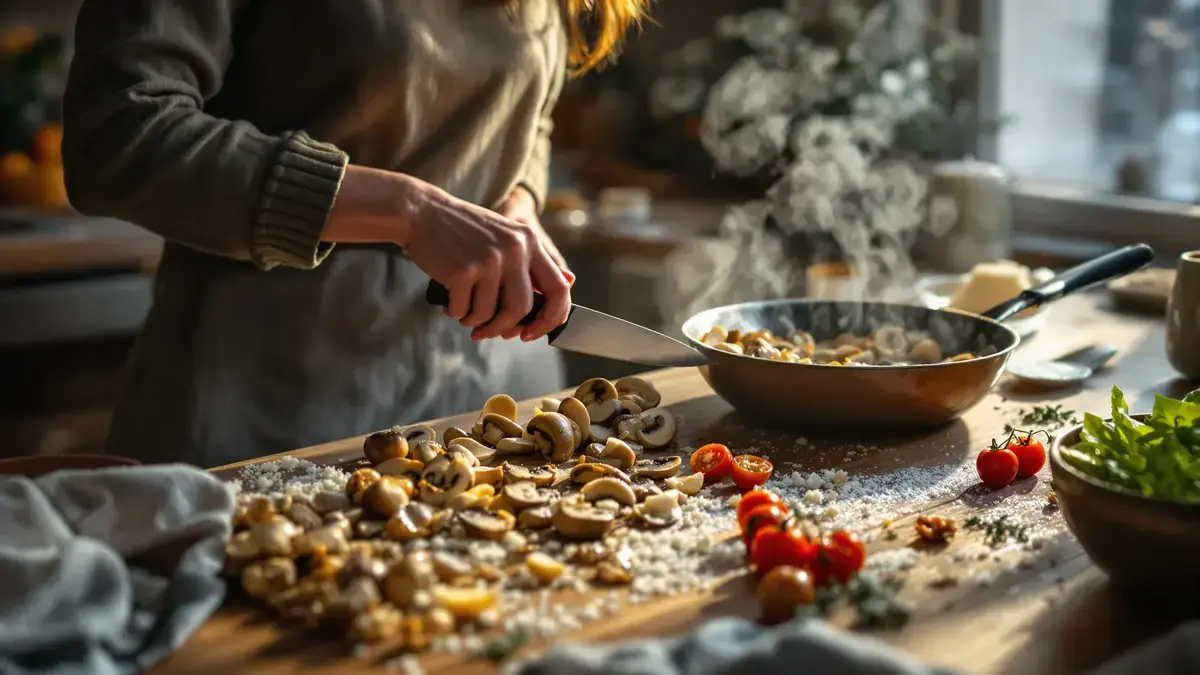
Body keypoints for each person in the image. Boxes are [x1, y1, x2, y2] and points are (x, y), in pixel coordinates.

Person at [61, 0, 649, 468]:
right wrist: (408, 210)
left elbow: (528, 112)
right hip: (268, 406)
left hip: (491, 403)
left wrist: (518, 199)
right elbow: (117, 134)